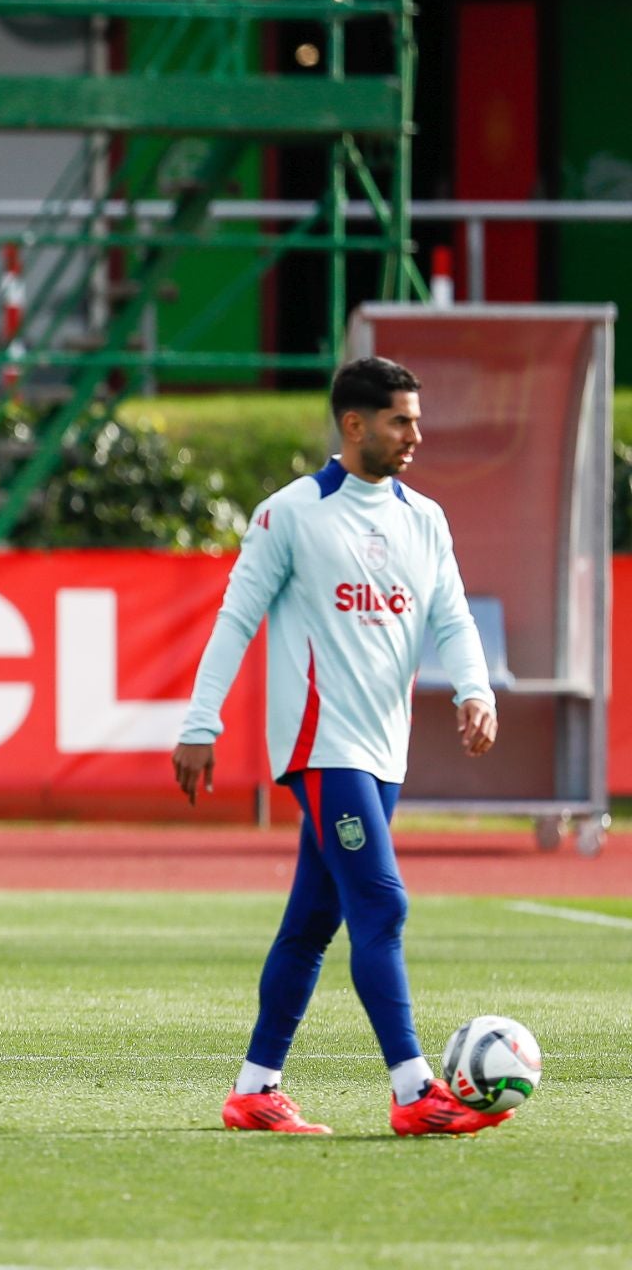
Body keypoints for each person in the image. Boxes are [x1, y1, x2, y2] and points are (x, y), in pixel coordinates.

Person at [174, 356, 504, 1137]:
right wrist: (199, 722)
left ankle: (255, 1089)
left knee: (313, 920)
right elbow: (236, 618)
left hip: (384, 750)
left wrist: (475, 690)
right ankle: (414, 1090)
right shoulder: (291, 513)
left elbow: (452, 617)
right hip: (322, 745)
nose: (415, 435)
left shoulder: (424, 519)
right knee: (382, 904)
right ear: (354, 424)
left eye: (416, 419)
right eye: (400, 421)